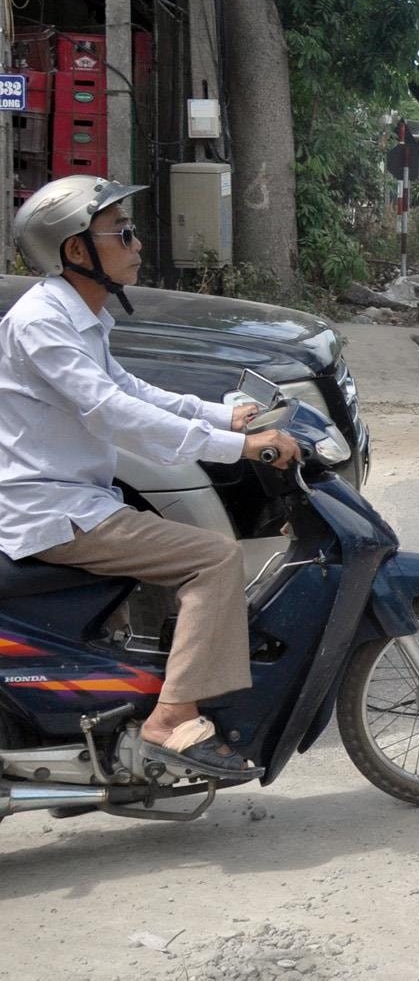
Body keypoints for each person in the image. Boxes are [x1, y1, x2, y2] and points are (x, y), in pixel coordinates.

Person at [0, 176, 302, 778]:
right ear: (76, 250)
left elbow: (130, 390)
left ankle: (149, 700)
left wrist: (222, 414)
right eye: (123, 232)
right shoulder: (43, 323)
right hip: (52, 510)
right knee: (213, 558)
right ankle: (173, 718)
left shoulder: (76, 314)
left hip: (74, 498)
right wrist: (236, 447)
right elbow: (111, 412)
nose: (137, 244)